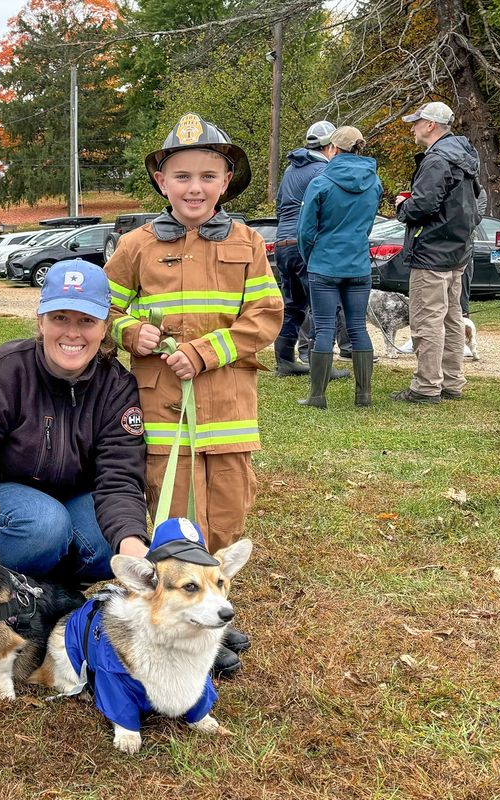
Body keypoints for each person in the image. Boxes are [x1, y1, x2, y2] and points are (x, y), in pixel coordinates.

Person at [106, 112, 284, 553]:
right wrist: (129, 332)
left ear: (225, 182)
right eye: (182, 177)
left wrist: (204, 352)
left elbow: (265, 314)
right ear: (161, 181)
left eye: (207, 176)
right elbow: (101, 310)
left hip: (228, 407)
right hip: (163, 406)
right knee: (172, 506)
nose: (194, 188)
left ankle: (214, 578)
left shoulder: (247, 242)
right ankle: (181, 574)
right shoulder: (136, 245)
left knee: (229, 506)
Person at [0, 259, 149, 586]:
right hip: (6, 500)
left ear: (104, 327)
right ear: (41, 321)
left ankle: (52, 593)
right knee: (45, 523)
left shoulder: (117, 389)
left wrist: (132, 546)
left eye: (86, 320)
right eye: (59, 318)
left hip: (75, 498)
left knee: (109, 538)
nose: (72, 333)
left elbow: (119, 478)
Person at [393, 101, 482, 404]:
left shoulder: (436, 160)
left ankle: (427, 386)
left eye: (416, 123)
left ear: (430, 125)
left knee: (427, 320)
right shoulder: (464, 156)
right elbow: (474, 202)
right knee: (451, 318)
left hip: (432, 250)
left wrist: (403, 206)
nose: (413, 128)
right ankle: (452, 381)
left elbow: (424, 205)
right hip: (457, 250)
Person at [296, 126, 383, 408]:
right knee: (358, 327)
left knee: (323, 328)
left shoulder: (321, 183)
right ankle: (363, 395)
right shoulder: (374, 183)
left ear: (333, 148)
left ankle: (317, 396)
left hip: (324, 263)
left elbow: (305, 230)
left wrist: (311, 257)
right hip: (358, 264)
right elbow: (368, 224)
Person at [273, 120, 349, 378]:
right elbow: (327, 212)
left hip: (282, 245)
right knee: (323, 305)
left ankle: (285, 361)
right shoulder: (324, 171)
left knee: (293, 305)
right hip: (306, 246)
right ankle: (321, 365)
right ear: (331, 146)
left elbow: (280, 207)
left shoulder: (290, 170)